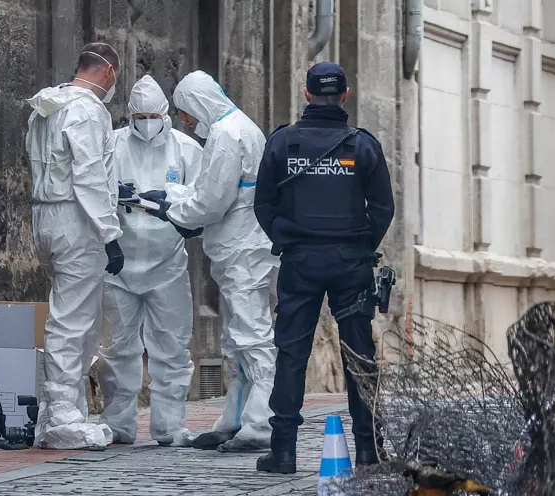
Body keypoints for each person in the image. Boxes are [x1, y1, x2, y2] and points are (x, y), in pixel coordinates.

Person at [251, 62, 395, 474]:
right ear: (345, 95)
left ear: (307, 93)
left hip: (300, 262)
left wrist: (287, 238)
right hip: (351, 264)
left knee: (291, 353)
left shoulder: (283, 142)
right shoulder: (363, 146)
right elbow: (383, 208)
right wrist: (361, 245)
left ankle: (283, 452)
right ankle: (368, 450)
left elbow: (263, 204)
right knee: (359, 355)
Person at [137, 70, 278, 452]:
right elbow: (212, 189)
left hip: (242, 249)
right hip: (241, 248)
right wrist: (171, 194)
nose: (184, 119)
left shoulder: (226, 134)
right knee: (236, 339)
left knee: (252, 337)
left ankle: (261, 423)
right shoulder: (236, 127)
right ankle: (235, 418)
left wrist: (172, 210)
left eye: (185, 109)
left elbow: (213, 201)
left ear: (198, 103)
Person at [98, 75, 205, 447]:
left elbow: (202, 199)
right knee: (118, 347)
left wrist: (171, 204)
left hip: (167, 264)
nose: (146, 123)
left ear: (165, 115)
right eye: (140, 117)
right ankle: (118, 423)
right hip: (119, 263)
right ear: (130, 116)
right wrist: (114, 198)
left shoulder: (186, 150)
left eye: (153, 116)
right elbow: (94, 191)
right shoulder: (112, 144)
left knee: (172, 347)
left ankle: (169, 426)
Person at [25, 42, 122, 449]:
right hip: (75, 219)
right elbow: (90, 176)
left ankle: (58, 410)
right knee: (72, 321)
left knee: (72, 316)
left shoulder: (46, 106)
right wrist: (110, 233)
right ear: (109, 72)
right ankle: (63, 415)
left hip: (45, 215)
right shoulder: (86, 110)